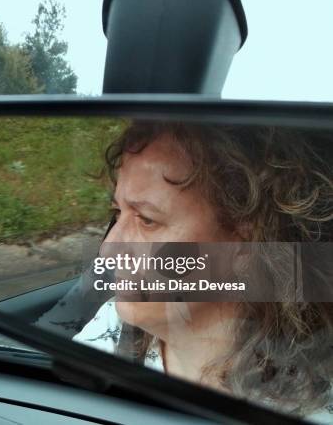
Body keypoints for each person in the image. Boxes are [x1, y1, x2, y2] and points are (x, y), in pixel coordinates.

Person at [73, 121, 333, 420]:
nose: (108, 249)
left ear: (246, 246)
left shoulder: (312, 404)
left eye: (146, 220)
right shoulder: (113, 325)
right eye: (118, 213)